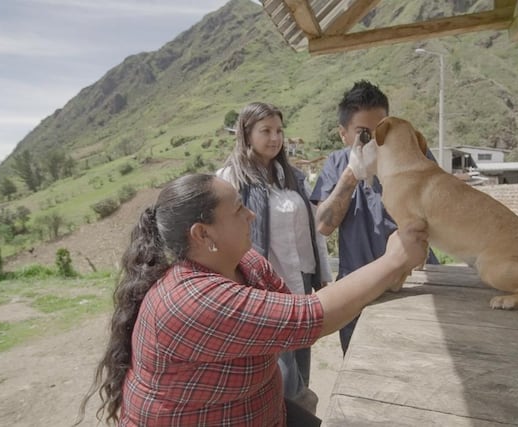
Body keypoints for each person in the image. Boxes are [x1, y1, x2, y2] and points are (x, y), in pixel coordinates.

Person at [76, 173, 428, 426]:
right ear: (203, 234)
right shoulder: (189, 298)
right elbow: (310, 319)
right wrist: (394, 259)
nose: (252, 215)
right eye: (239, 210)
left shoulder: (246, 263)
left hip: (260, 408)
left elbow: (292, 316)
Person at [216, 102, 332, 412]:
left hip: (301, 278)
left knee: (302, 354)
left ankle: (299, 414)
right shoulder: (230, 179)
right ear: (246, 133)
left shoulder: (291, 176)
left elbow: (314, 225)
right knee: (279, 368)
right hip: (262, 285)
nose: (275, 138)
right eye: (265, 131)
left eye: (279, 130)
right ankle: (287, 413)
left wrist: (322, 273)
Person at [310, 80, 439, 355]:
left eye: (383, 129)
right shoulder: (335, 163)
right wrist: (352, 174)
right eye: (363, 133)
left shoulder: (413, 153)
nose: (376, 140)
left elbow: (437, 208)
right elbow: (323, 225)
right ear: (343, 134)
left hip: (414, 282)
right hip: (359, 288)